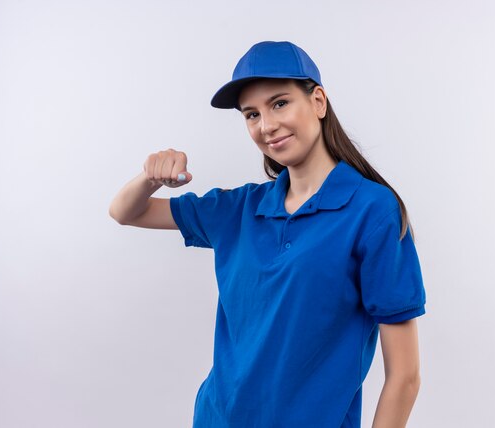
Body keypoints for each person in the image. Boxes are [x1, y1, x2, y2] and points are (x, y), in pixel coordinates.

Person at [109, 40, 427, 428]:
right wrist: (151, 176)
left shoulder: (372, 211)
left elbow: (405, 377)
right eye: (251, 114)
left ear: (318, 102)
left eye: (279, 103)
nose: (266, 126)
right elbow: (126, 211)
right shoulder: (239, 209)